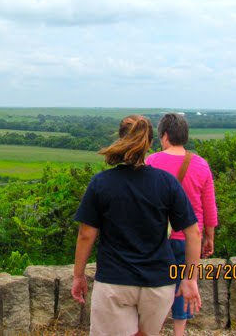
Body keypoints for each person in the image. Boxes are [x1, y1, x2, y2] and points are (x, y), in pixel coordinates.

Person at [71, 115, 202, 336]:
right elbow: (194, 234)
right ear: (149, 143)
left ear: (121, 139)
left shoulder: (101, 183)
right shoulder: (166, 182)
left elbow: (86, 234)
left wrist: (78, 276)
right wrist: (190, 279)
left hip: (114, 281)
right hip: (158, 284)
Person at [146, 113, 218, 336]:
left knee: (156, 287)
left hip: (157, 239)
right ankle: (178, 332)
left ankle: (153, 329)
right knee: (184, 284)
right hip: (189, 240)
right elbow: (209, 207)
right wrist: (209, 237)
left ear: (165, 136)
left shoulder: (151, 162)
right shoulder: (201, 164)